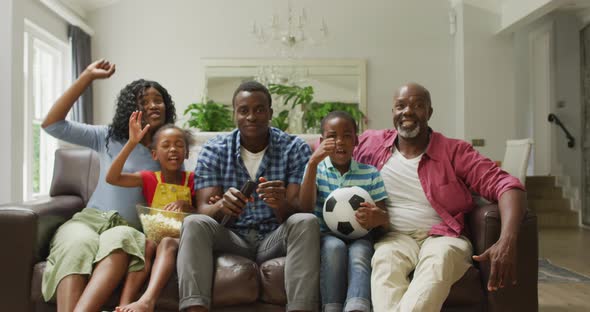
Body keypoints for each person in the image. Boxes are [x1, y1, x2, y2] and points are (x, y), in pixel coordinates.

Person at [353, 82, 526, 312]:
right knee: (384, 264)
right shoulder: (371, 143)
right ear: (392, 112)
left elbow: (507, 185)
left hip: (444, 236)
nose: (408, 111)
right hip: (393, 236)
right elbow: (330, 143)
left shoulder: (454, 151)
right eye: (400, 106)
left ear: (429, 112)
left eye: (418, 105)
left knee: (439, 262)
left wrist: (507, 240)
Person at [41, 59, 177, 312]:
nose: (153, 105)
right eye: (144, 101)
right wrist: (87, 78)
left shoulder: (169, 149)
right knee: (77, 244)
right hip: (90, 220)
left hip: (130, 227)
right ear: (130, 109)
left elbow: (178, 191)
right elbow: (52, 125)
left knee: (122, 239)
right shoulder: (106, 137)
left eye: (158, 99)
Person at [176, 81, 320, 312]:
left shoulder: (294, 148)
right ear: (234, 114)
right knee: (193, 222)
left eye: (259, 109)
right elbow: (204, 209)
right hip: (232, 237)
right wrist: (223, 205)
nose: (251, 116)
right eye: (244, 110)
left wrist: (280, 204)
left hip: (274, 238)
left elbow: (299, 210)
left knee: (306, 221)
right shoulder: (214, 149)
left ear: (270, 113)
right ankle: (195, 308)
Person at [299, 111, 388, 312]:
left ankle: (357, 306)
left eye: (347, 136)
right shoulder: (315, 169)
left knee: (360, 252)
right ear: (321, 141)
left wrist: (376, 217)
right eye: (332, 136)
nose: (340, 141)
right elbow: (304, 207)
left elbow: (383, 218)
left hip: (361, 236)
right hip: (325, 235)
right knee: (334, 248)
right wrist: (312, 162)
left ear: (356, 141)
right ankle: (332, 307)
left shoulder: (370, 173)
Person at [105, 114, 196, 312]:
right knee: (145, 244)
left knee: (166, 243)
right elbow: (112, 178)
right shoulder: (149, 178)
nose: (173, 149)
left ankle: (148, 301)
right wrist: (131, 143)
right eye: (166, 145)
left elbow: (203, 212)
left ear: (187, 153)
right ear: (154, 154)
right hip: (153, 236)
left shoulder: (193, 180)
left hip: (183, 239)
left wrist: (186, 205)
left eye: (179, 145)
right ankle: (125, 304)